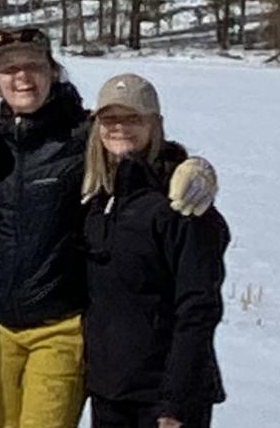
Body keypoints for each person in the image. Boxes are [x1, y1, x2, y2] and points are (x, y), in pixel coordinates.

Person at [0, 28, 218, 428]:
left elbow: (136, 151)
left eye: (33, 66)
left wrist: (192, 169)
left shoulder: (81, 133)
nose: (22, 77)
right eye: (10, 68)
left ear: (53, 71)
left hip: (58, 324)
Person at [80, 73, 229, 428]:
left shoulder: (179, 201)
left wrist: (175, 401)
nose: (120, 127)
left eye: (133, 118)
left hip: (163, 399)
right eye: (110, 118)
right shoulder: (97, 197)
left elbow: (198, 308)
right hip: (110, 391)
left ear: (155, 124)